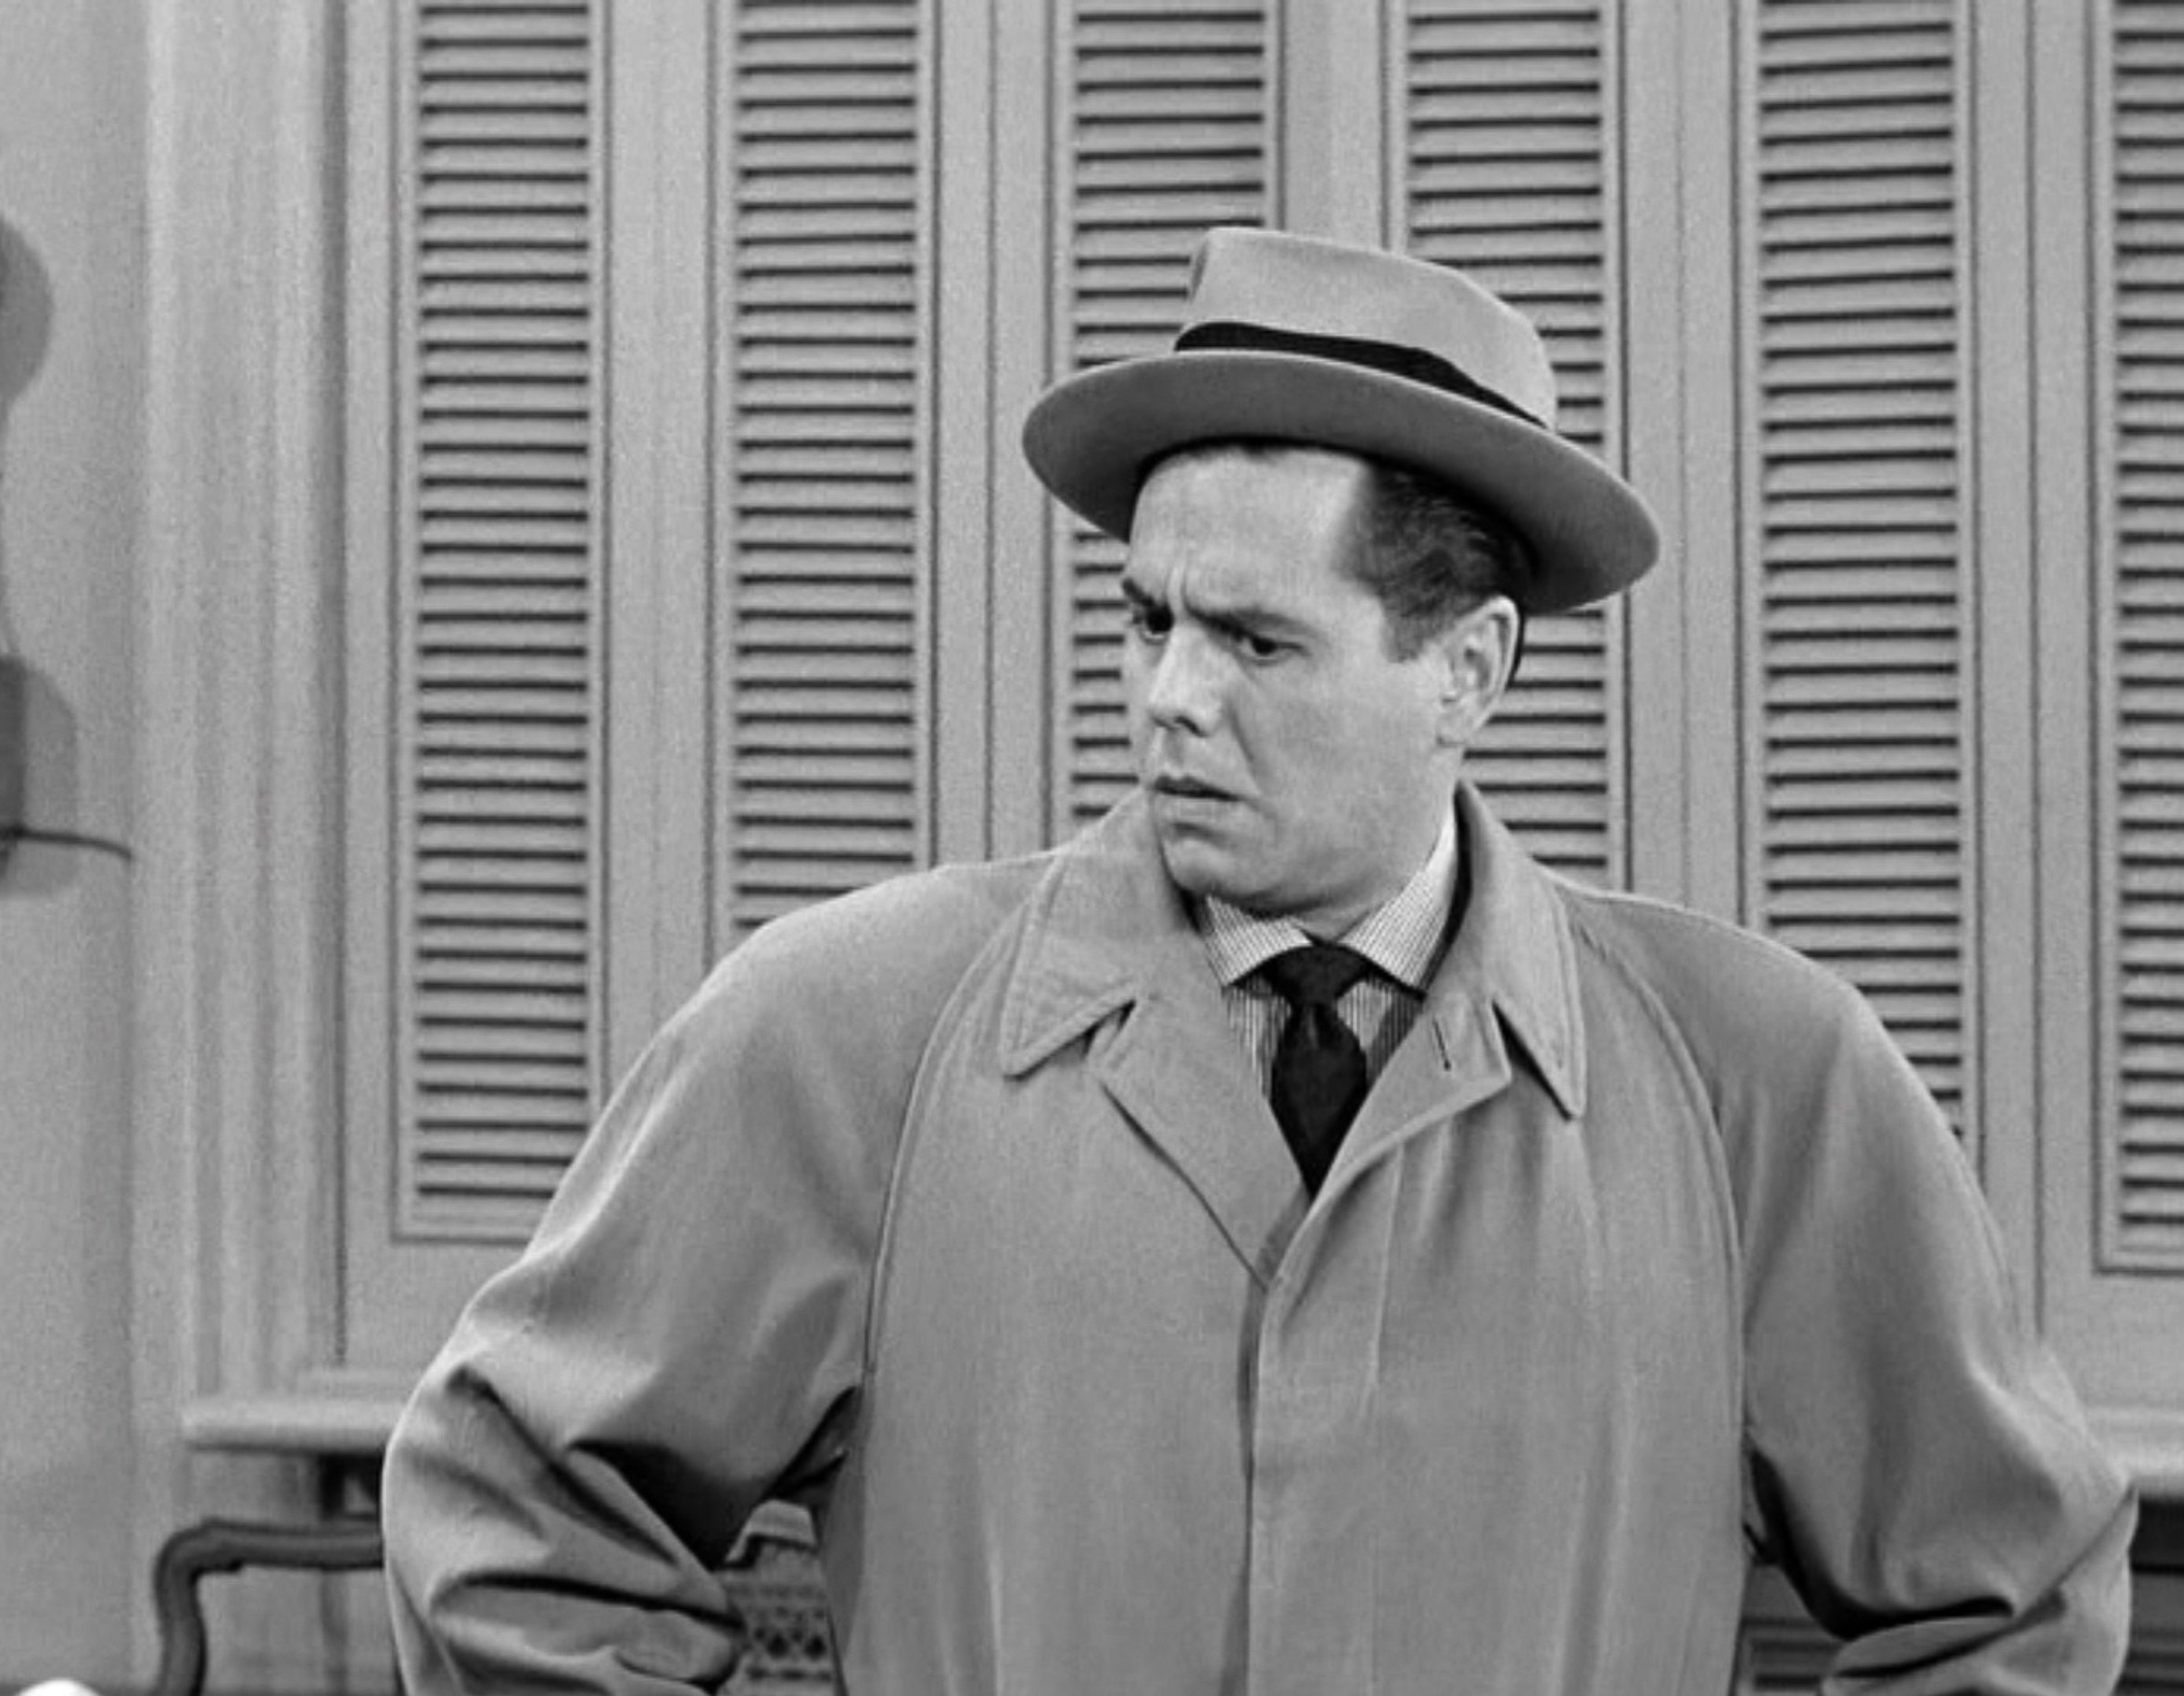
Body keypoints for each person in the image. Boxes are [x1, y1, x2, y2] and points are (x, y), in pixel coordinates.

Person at [381, 226, 2136, 1692]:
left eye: (1253, 641)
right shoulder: (844, 1029)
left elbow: (2010, 1598)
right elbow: (513, 1517)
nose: (1168, 696)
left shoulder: (1762, 1082)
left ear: (1465, 670)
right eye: (1146, 618)